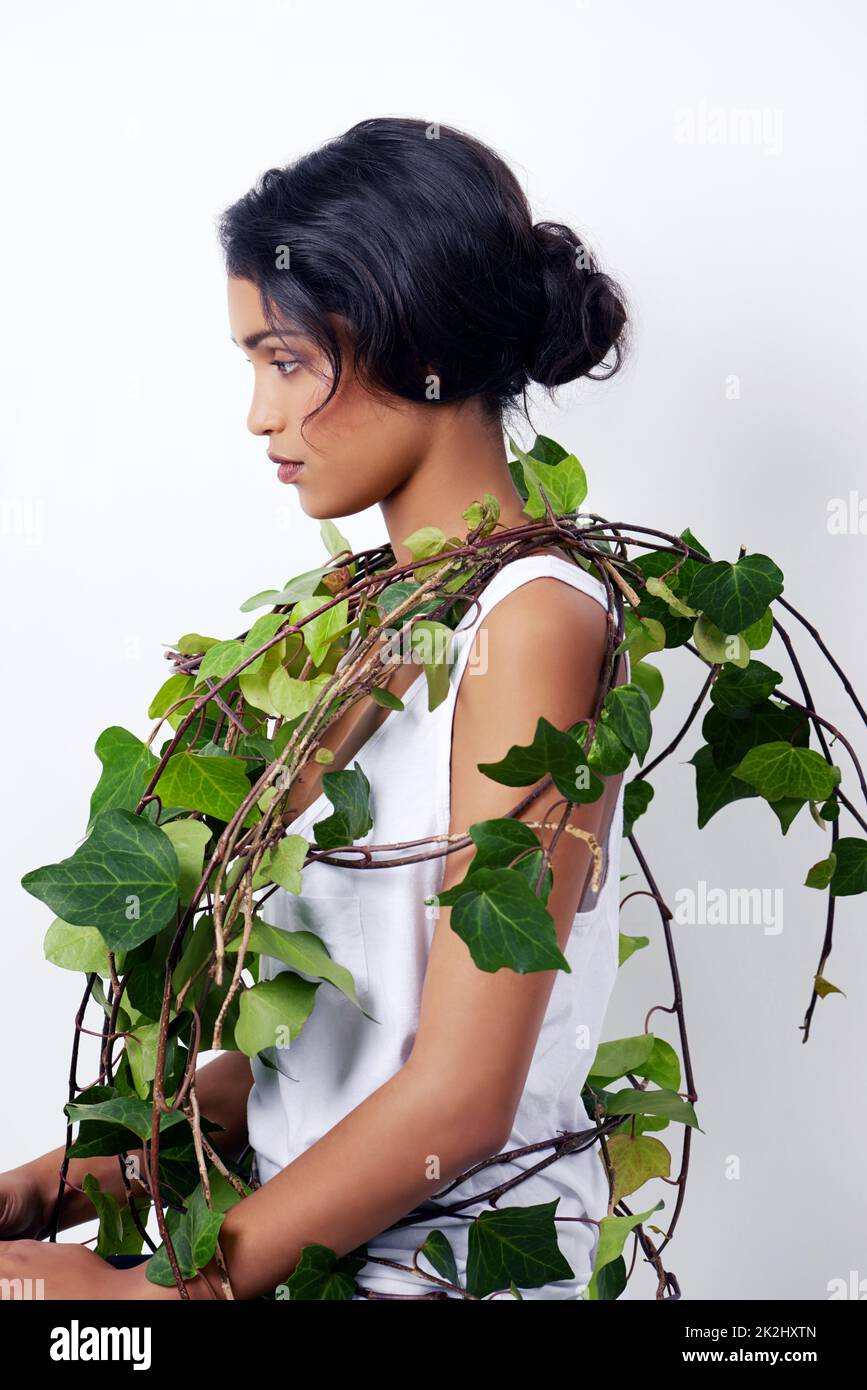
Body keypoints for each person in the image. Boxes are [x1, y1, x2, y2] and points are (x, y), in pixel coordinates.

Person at [0, 116, 629, 1300]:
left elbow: (460, 1099)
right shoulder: (372, 627)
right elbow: (335, 1061)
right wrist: (58, 1182)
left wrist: (152, 1299)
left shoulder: (534, 620)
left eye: (284, 362)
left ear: (411, 339)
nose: (257, 414)